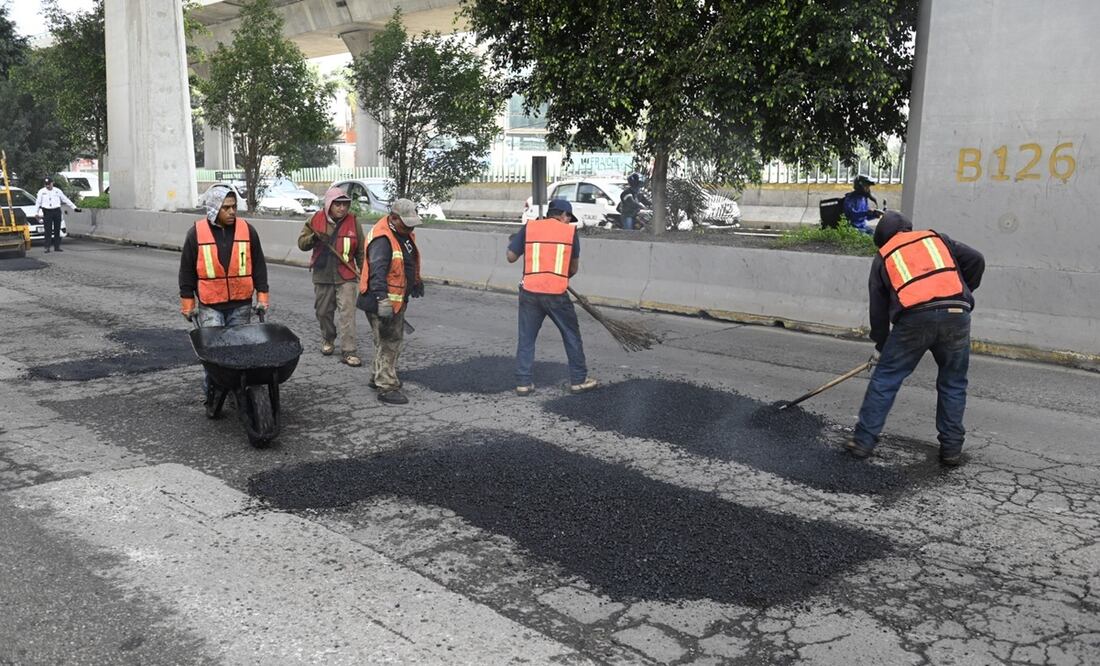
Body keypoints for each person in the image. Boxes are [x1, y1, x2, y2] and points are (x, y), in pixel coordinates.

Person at [847, 211, 985, 466]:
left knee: (886, 379)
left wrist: (881, 344)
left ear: (883, 238)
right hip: (957, 313)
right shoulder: (937, 239)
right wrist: (963, 291)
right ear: (908, 229)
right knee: (953, 382)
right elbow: (976, 259)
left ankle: (863, 442)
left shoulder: (885, 255)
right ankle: (952, 449)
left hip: (915, 318)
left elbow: (877, 310)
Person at [178, 185, 270, 414]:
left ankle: (238, 393)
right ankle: (212, 395)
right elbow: (187, 271)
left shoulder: (247, 231)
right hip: (211, 305)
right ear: (213, 209)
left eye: (234, 207)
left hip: (240, 303)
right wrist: (188, 303)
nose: (232, 212)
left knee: (240, 354)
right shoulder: (196, 234)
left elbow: (258, 265)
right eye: (226, 208)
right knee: (215, 359)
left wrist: (262, 295)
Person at [506, 198, 598, 396]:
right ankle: (578, 380)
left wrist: (520, 242)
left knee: (526, 338)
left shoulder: (530, 228)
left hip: (530, 292)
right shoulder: (570, 233)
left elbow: (510, 257)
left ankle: (523, 383)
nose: (569, 221)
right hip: (556, 294)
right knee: (571, 335)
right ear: (563, 215)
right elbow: (573, 268)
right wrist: (558, 277)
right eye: (569, 217)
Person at [359, 198, 425, 405]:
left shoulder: (401, 233)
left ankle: (376, 376)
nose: (410, 227)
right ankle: (386, 386)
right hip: (383, 300)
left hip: (394, 299)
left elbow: (405, 261)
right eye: (406, 223)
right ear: (394, 218)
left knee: (382, 340)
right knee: (390, 342)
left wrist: (415, 281)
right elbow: (377, 273)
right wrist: (383, 300)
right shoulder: (382, 239)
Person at [298, 187, 365, 367]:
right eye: (338, 204)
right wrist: (315, 238)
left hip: (347, 275)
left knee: (347, 314)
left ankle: (349, 351)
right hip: (323, 275)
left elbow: (360, 251)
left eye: (345, 205)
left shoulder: (354, 222)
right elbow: (301, 244)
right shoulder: (314, 220)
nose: (342, 208)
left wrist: (365, 274)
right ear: (329, 205)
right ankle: (328, 338)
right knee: (323, 312)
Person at [35, 177, 80, 252]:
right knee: (48, 230)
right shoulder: (41, 191)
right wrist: (36, 212)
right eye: (46, 184)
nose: (48, 186)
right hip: (47, 211)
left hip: (56, 211)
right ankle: (47, 247)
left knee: (57, 229)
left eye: (49, 184)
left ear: (52, 183)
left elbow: (65, 199)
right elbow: (38, 202)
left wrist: (74, 208)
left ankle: (57, 247)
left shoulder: (57, 191)